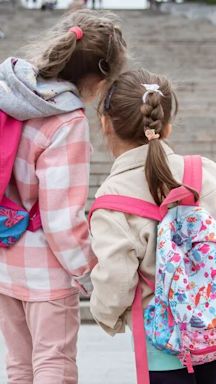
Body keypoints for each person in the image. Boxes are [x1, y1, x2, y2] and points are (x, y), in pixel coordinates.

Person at [88, 68, 216, 384]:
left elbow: (116, 276)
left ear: (106, 124)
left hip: (162, 340)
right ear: (167, 125)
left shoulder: (112, 196)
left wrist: (107, 316)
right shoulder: (207, 172)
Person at [0, 9, 127, 384]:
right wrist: (89, 272)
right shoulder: (65, 121)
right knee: (54, 365)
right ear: (100, 75)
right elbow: (60, 218)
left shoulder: (11, 94)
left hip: (5, 261)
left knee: (20, 366)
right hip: (46, 272)